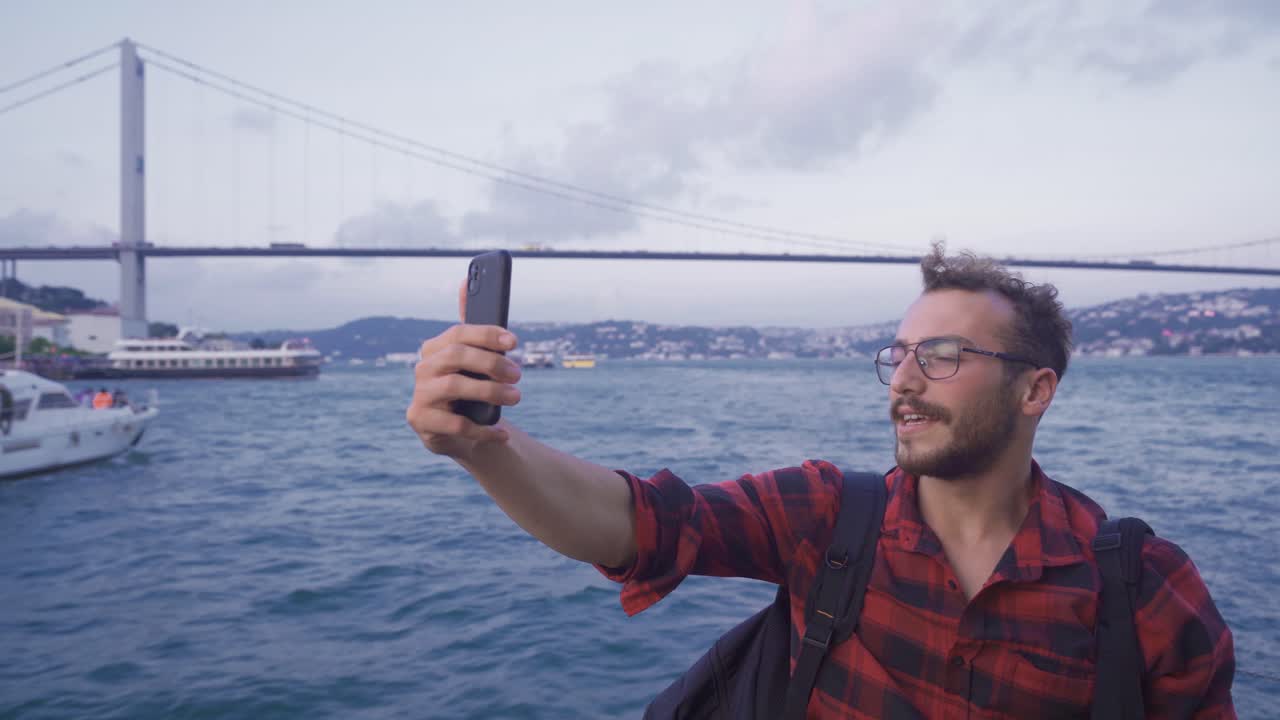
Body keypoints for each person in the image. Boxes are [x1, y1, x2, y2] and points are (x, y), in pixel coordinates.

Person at [406, 244, 1236, 718]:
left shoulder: (1142, 592)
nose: (905, 381)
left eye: (942, 356)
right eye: (900, 355)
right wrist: (489, 449)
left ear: (1035, 390)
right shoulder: (832, 515)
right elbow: (639, 522)